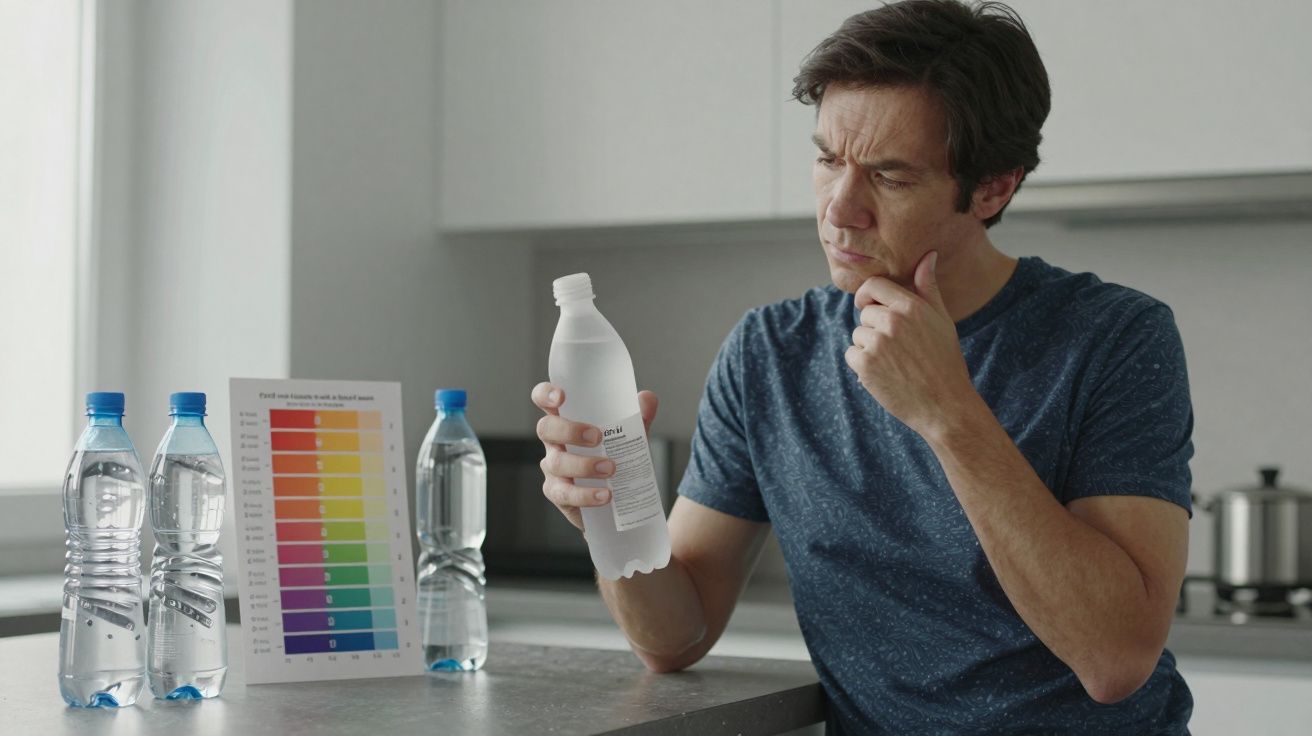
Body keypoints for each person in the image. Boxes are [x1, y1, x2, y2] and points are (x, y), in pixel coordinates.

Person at [532, 1, 1194, 732]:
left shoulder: (1114, 337)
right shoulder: (768, 354)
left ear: (994, 188)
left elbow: (1115, 661)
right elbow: (674, 637)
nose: (840, 210)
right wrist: (610, 519)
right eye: (826, 160)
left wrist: (948, 411)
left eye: (890, 176)